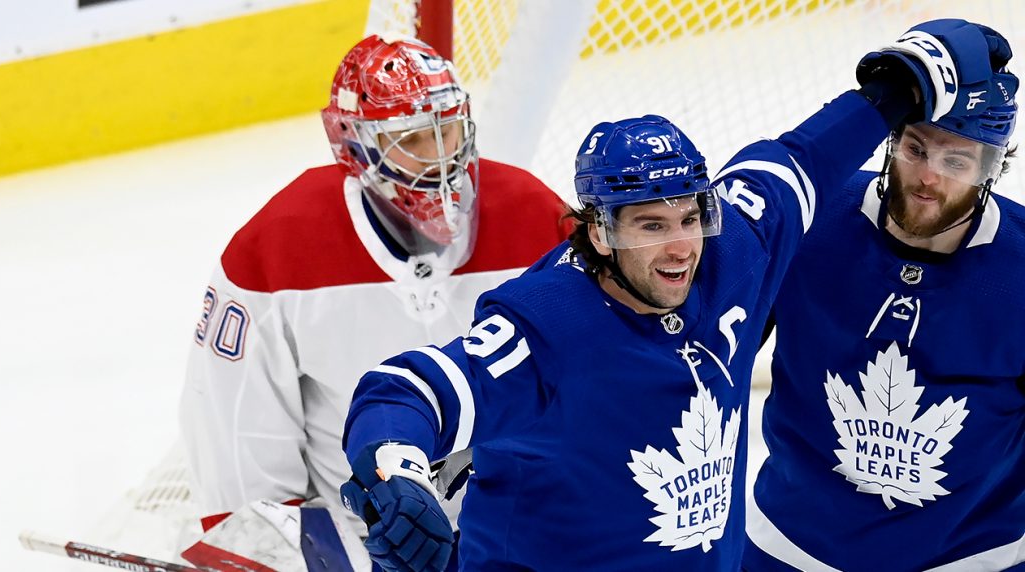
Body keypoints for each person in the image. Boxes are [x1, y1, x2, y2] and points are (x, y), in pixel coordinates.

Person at [337, 19, 1013, 572]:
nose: (679, 246)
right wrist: (396, 469)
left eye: (689, 218)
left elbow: (802, 159)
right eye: (650, 226)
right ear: (598, 233)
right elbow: (406, 390)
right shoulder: (549, 323)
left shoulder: (733, 253)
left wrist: (899, 88)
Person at [177, 34, 570, 570]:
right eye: (411, 139)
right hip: (366, 546)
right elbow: (240, 446)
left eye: (448, 131)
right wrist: (288, 555)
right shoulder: (273, 251)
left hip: (524, 529)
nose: (441, 161)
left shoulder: (535, 217)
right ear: (354, 144)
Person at [743, 24, 1024, 572]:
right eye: (916, 148)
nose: (927, 178)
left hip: (972, 560)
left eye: (956, 162)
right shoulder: (808, 219)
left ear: (993, 166)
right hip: (787, 549)